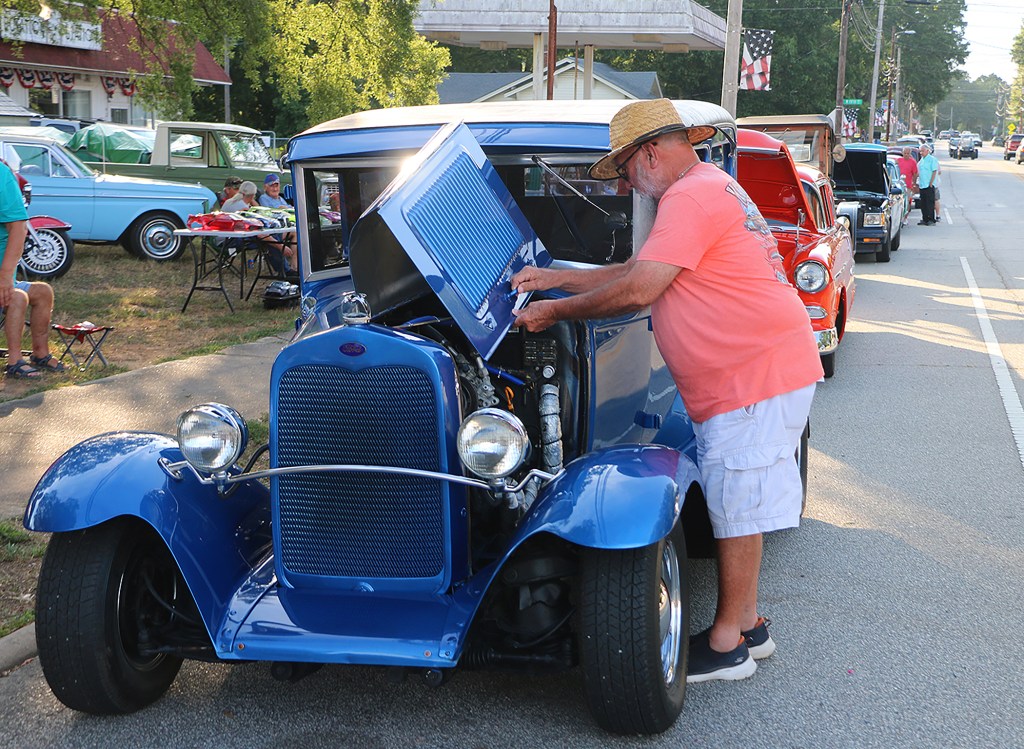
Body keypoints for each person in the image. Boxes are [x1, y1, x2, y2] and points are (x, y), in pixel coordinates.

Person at [512, 99, 822, 684]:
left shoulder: (691, 196)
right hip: (760, 369)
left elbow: (639, 290)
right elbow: (640, 268)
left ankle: (729, 645)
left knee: (737, 505)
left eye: (626, 171)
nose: (629, 183)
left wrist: (553, 311)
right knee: (741, 499)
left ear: (650, 153)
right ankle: (749, 623)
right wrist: (556, 276)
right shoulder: (705, 186)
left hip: (751, 375)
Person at [0, 164, 63, 378]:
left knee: (43, 291)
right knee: (17, 297)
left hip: (2, 277)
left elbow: (19, 226)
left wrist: (6, 276)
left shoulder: (2, 175)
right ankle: (15, 361)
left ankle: (39, 354)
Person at [220, 181, 294, 273]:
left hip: (222, 236)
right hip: (232, 240)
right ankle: (285, 271)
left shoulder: (230, 202)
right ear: (253, 195)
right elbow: (258, 232)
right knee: (270, 238)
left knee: (269, 237)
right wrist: (281, 246)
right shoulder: (243, 208)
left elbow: (257, 209)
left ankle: (284, 269)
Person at [895, 147, 919, 227]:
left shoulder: (913, 162)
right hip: (898, 185)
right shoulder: (898, 161)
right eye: (905, 153)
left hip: (908, 185)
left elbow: (915, 174)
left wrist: (914, 183)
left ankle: (905, 217)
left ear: (910, 154)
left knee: (908, 201)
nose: (906, 155)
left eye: (908, 153)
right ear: (902, 153)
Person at [917, 143, 939, 226]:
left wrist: (931, 182)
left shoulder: (932, 159)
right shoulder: (921, 160)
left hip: (929, 184)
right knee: (923, 203)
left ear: (927, 151)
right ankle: (925, 218)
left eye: (922, 151)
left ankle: (931, 219)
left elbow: (934, 171)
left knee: (930, 203)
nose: (921, 153)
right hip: (922, 184)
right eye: (920, 151)